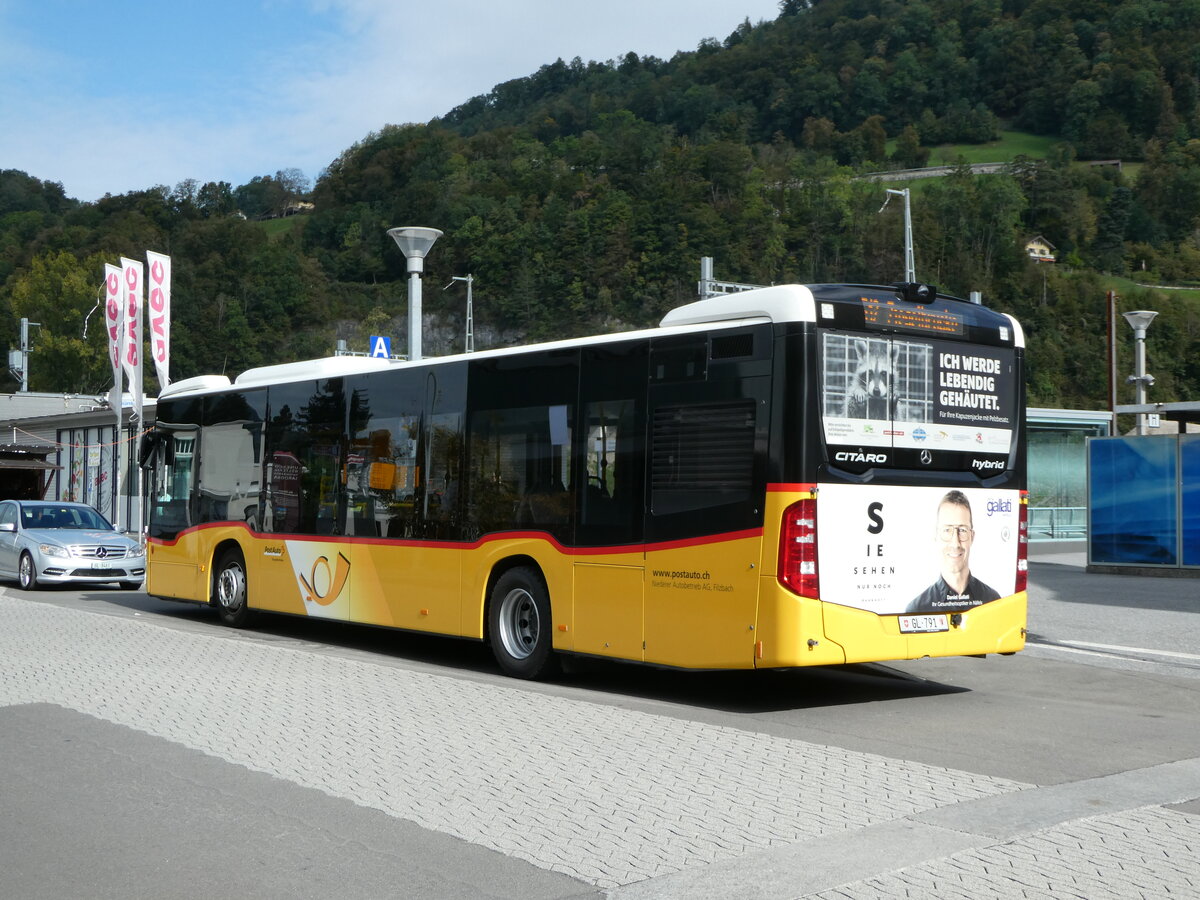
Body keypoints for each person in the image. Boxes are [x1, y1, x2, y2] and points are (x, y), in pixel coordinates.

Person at [907, 490, 1000, 613]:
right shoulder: (917, 610)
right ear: (936, 536)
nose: (955, 543)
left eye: (962, 530)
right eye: (947, 530)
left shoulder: (993, 602)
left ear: (972, 536)